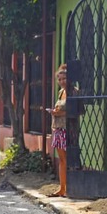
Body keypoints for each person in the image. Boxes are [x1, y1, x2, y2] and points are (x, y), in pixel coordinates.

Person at [47, 64, 71, 198]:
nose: (62, 81)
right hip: (58, 129)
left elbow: (74, 111)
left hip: (67, 129)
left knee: (67, 158)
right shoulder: (61, 92)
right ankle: (62, 188)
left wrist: (58, 113)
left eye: (64, 78)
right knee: (62, 159)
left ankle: (69, 187)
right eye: (60, 79)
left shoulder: (74, 92)